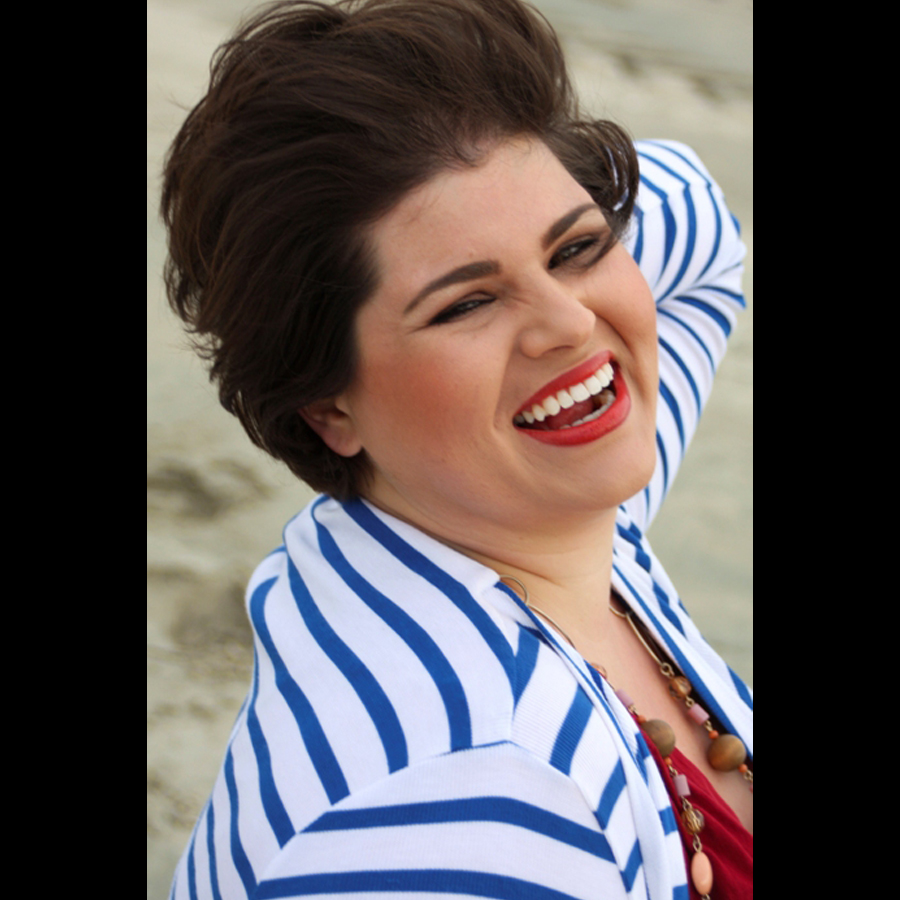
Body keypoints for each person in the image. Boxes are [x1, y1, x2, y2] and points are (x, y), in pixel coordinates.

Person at [161, 1, 751, 897]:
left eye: (579, 247)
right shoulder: (479, 806)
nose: (571, 326)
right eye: (465, 304)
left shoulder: (556, 519)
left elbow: (696, 221)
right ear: (327, 408)